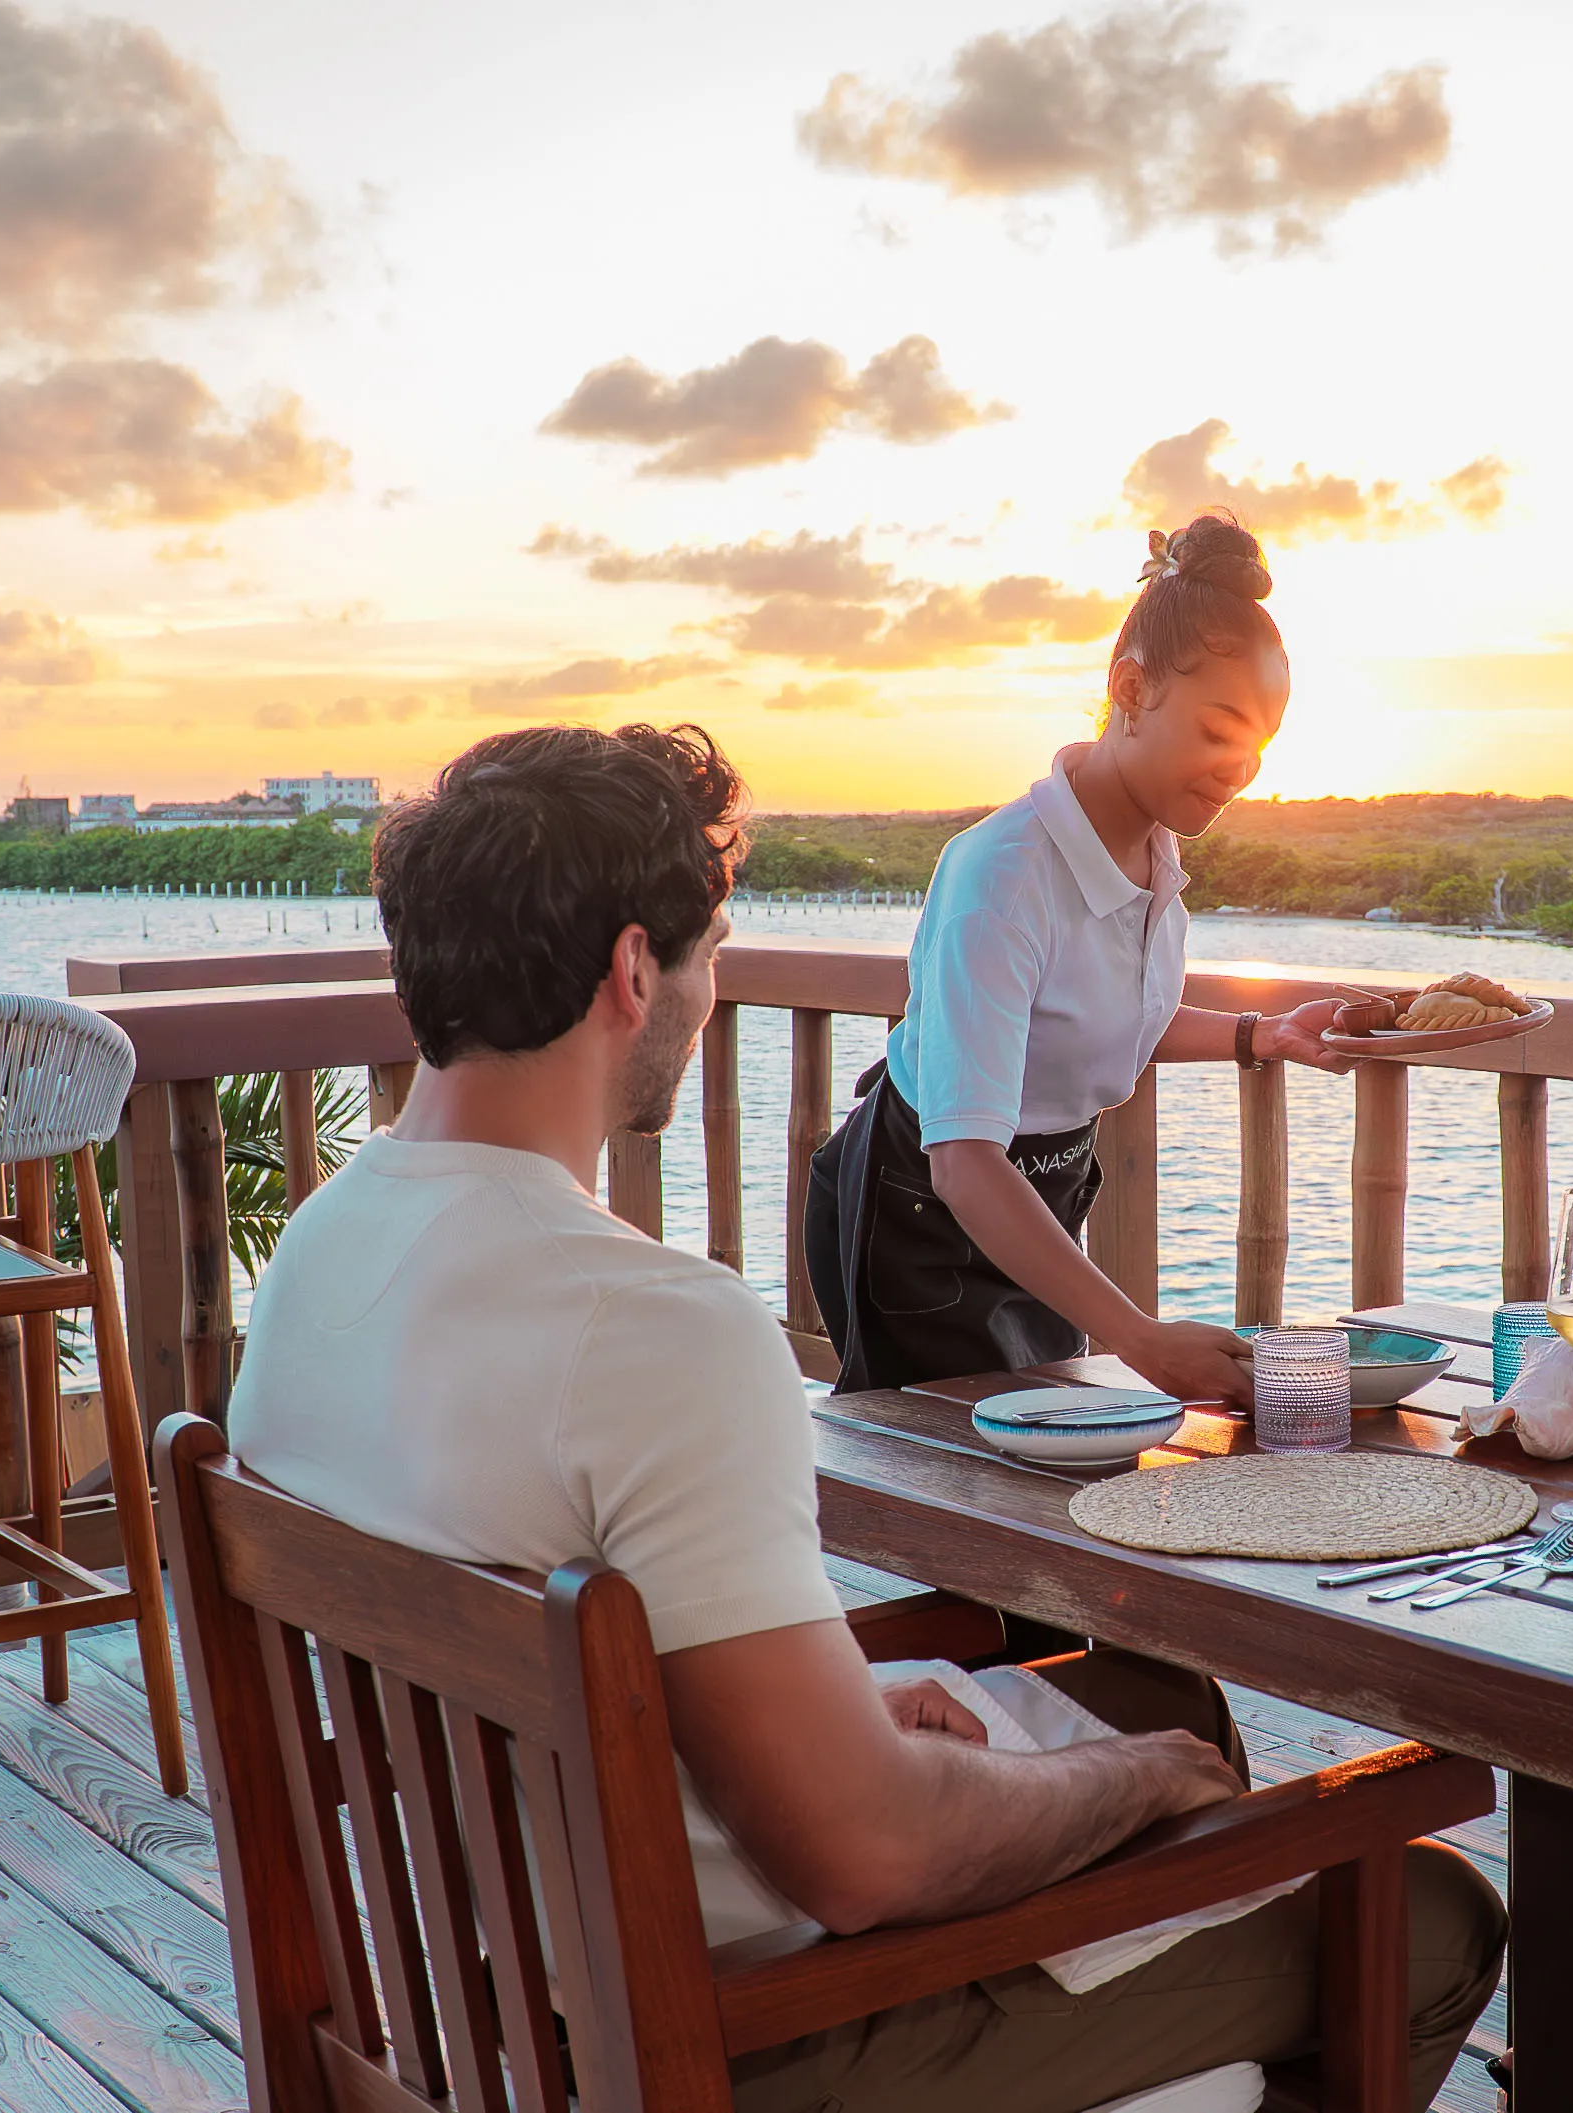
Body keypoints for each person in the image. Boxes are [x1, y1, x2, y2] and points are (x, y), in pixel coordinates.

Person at [229, 724, 1503, 2113]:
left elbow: (561, 1619)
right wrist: (1133, 1784)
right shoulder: (655, 1325)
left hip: (483, 2012)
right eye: (712, 954)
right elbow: (868, 1857)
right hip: (745, 2040)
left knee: (1147, 1692)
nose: (713, 992)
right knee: (1424, 1910)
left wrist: (849, 1703)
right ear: (632, 971)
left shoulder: (317, 1255)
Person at [804, 510, 1359, 1403]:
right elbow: (964, 1158)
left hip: (1040, 1202)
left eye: (1258, 745)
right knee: (953, 1482)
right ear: (1131, 688)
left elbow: (1099, 1017)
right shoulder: (1003, 874)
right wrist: (1140, 1340)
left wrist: (1262, 1033)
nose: (1241, 767)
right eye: (1220, 730)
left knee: (1042, 1466)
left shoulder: (1152, 855)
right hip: (927, 1208)